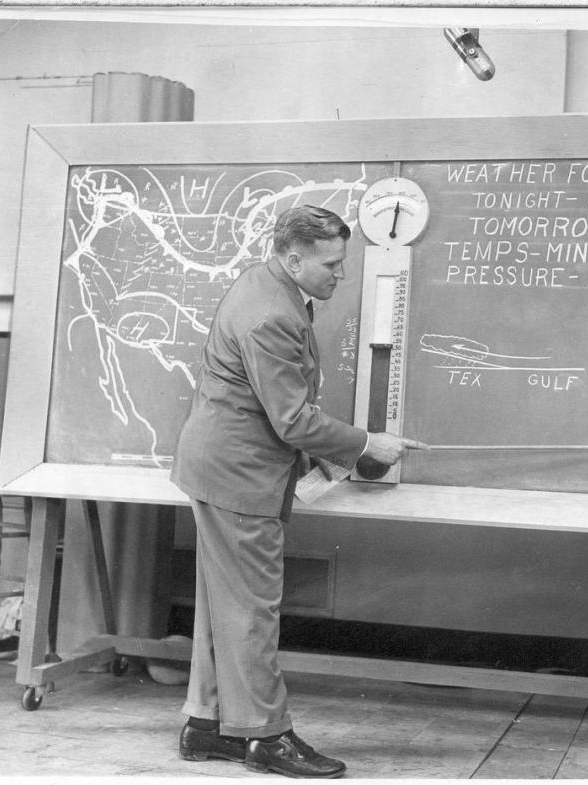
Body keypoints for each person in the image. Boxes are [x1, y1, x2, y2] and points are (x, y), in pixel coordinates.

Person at [171, 204, 426, 777]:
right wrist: (366, 444)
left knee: (223, 607)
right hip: (240, 478)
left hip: (222, 465)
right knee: (253, 612)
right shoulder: (272, 314)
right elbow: (290, 420)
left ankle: (207, 726)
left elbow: (271, 405)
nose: (340, 274)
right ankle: (267, 737)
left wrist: (324, 447)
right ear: (293, 258)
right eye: (332, 265)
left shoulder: (265, 285)